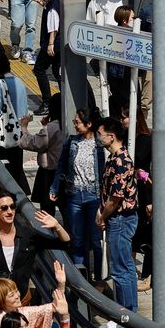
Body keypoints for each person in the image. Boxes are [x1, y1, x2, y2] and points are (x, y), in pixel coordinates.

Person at [0, 193, 69, 297]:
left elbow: (65, 244)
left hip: (21, 298)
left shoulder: (28, 235)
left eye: (12, 207)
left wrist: (57, 226)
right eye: (4, 208)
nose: (9, 212)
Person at [51, 107, 104, 278]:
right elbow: (62, 165)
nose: (75, 125)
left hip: (94, 195)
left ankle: (100, 276)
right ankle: (80, 276)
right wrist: (54, 187)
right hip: (74, 194)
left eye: (77, 122)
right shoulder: (73, 142)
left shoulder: (100, 145)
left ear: (89, 124)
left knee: (97, 240)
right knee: (77, 238)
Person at [97, 117, 139, 322]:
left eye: (100, 133)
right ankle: (131, 313)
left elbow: (116, 197)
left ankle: (125, 317)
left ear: (111, 136)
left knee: (120, 270)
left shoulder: (120, 161)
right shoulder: (116, 158)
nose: (98, 137)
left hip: (120, 219)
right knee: (127, 266)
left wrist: (103, 215)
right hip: (120, 218)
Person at [0, 54, 31, 193]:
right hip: (19, 134)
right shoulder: (20, 82)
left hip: (4, 135)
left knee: (2, 171)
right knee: (16, 169)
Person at [18, 94, 65, 211]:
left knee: (47, 209)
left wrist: (24, 127)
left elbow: (34, 143)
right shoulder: (69, 124)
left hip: (49, 173)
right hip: (65, 172)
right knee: (65, 208)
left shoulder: (51, 128)